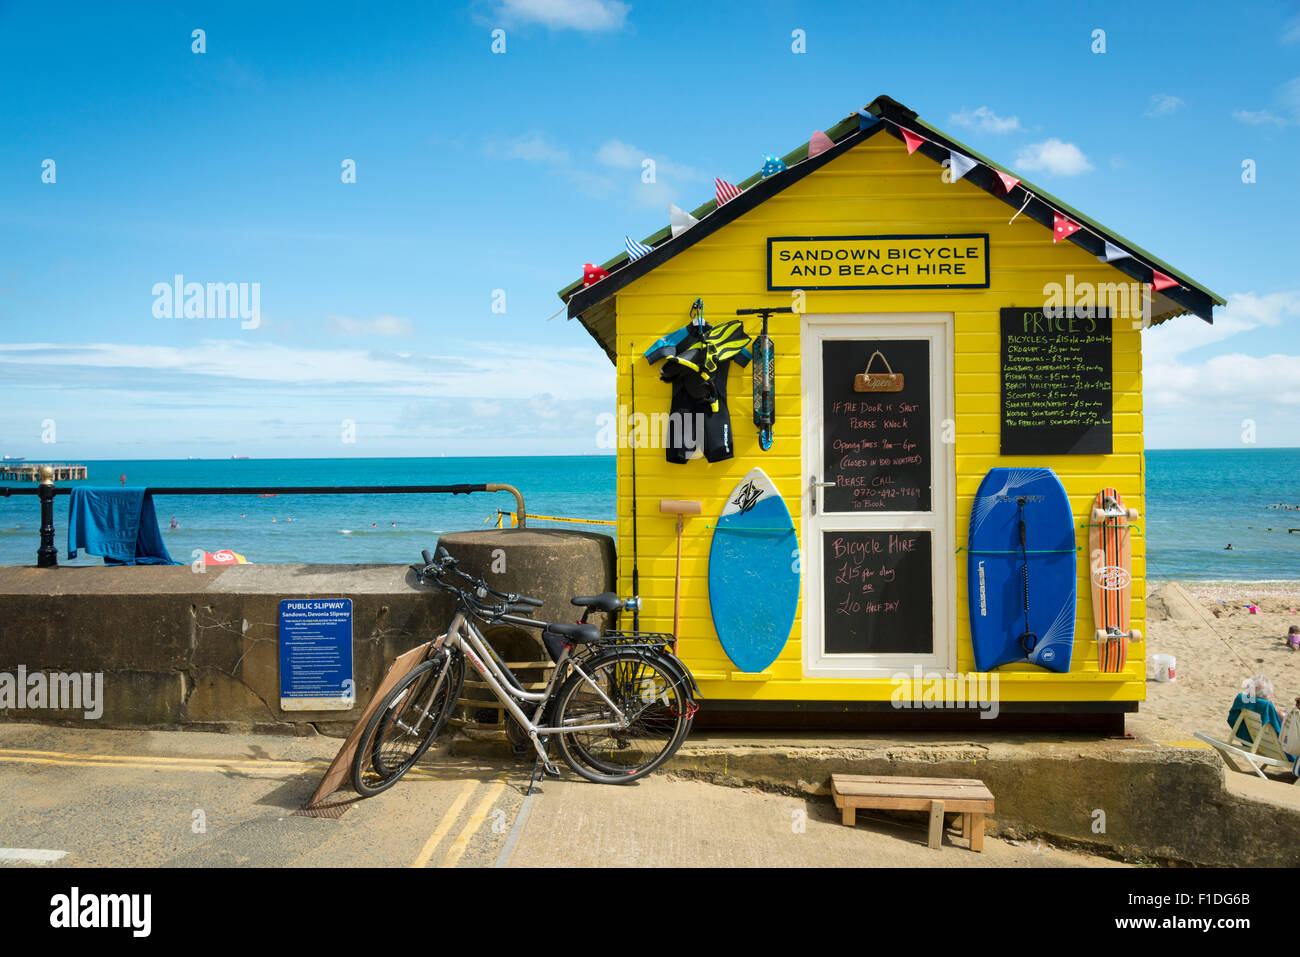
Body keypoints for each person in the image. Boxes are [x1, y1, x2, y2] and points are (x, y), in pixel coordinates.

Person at [1228, 675, 1284, 746]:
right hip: (1276, 751)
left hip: (1252, 743)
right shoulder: (1278, 715)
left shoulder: (1244, 706)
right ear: (1269, 696)